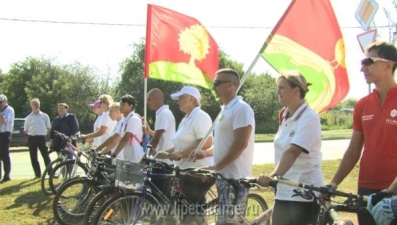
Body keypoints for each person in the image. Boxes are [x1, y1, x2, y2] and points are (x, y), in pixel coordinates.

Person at [327, 41, 397, 224]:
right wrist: (334, 183)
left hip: (394, 194)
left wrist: (392, 190)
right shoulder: (362, 105)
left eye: (368, 61)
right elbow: (353, 151)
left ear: (388, 65)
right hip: (366, 190)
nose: (362, 68)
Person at [256, 71, 323, 225]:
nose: (277, 91)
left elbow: (293, 152)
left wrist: (273, 176)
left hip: (304, 193)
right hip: (284, 191)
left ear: (296, 91)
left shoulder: (309, 117)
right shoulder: (284, 115)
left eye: (282, 88)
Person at [199, 68, 255, 224]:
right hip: (224, 178)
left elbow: (241, 144)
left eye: (217, 83)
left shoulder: (241, 108)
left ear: (231, 85)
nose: (214, 87)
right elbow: (222, 143)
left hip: (235, 180)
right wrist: (206, 154)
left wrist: (216, 167)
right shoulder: (225, 110)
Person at [155, 86, 214, 225]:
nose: (178, 101)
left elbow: (205, 143)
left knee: (192, 215)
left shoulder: (200, 117)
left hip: (196, 173)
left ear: (192, 99)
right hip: (183, 170)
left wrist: (181, 154)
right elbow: (180, 145)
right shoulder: (186, 118)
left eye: (181, 98)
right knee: (185, 214)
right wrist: (164, 153)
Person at [144, 88, 176, 165]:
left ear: (157, 99)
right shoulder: (165, 113)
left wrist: (145, 157)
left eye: (149, 99)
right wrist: (150, 132)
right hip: (164, 160)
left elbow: (156, 139)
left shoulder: (163, 114)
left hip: (163, 162)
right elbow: (162, 135)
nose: (147, 102)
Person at [24, 98, 52, 178]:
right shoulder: (28, 118)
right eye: (34, 104)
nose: (36, 105)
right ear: (31, 106)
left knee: (46, 156)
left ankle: (50, 172)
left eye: (37, 103)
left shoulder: (45, 116)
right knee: (33, 157)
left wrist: (43, 134)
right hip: (32, 138)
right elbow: (26, 129)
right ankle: (37, 174)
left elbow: (48, 127)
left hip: (41, 138)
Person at [112, 95, 144, 162]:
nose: (120, 106)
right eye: (120, 104)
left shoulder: (133, 119)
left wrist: (114, 155)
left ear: (131, 106)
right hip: (128, 157)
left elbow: (125, 138)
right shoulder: (124, 120)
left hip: (136, 158)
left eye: (123, 104)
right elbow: (115, 137)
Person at [0, 94, 14, 182]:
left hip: (5, 134)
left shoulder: (9, 110)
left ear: (5, 101)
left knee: (5, 154)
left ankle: (7, 175)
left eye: (1, 102)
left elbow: (4, 121)